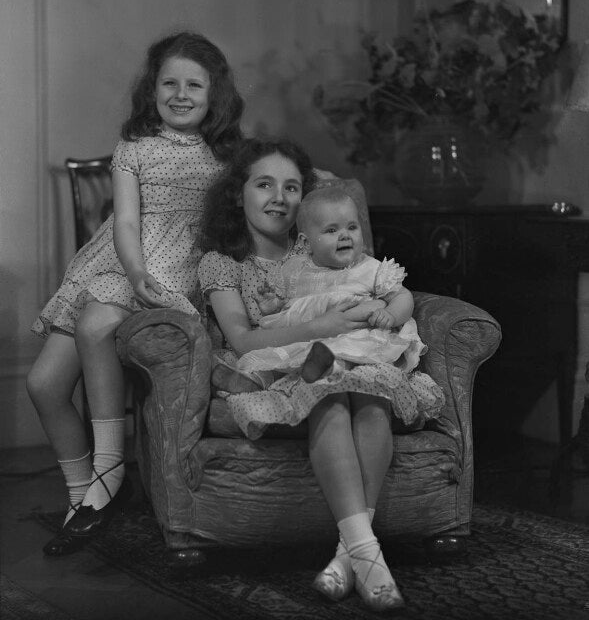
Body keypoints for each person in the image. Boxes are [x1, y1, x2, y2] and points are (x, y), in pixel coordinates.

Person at [197, 137, 445, 611]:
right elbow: (243, 339)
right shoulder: (223, 262)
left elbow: (376, 279)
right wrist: (324, 325)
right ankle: (369, 557)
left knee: (371, 402)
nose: (279, 197)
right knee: (327, 398)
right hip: (293, 362)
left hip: (359, 356)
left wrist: (382, 312)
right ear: (237, 193)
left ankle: (348, 556)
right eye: (264, 184)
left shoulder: (317, 243)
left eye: (292, 187)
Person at [27, 31, 243, 557]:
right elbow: (124, 221)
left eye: (195, 84)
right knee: (43, 384)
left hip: (179, 266)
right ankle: (86, 498)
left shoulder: (228, 154)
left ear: (215, 95)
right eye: (169, 82)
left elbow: (262, 195)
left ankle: (108, 470)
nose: (181, 93)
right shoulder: (135, 148)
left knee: (95, 325)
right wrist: (134, 270)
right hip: (120, 260)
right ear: (152, 89)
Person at [235, 185, 426, 382]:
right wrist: (274, 308)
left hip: (356, 341)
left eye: (352, 227)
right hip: (307, 342)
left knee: (348, 356)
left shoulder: (370, 268)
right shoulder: (294, 270)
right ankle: (256, 380)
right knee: (280, 361)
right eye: (332, 230)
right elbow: (289, 313)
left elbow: (403, 296)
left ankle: (331, 370)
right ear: (306, 243)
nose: (345, 235)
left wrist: (391, 314)